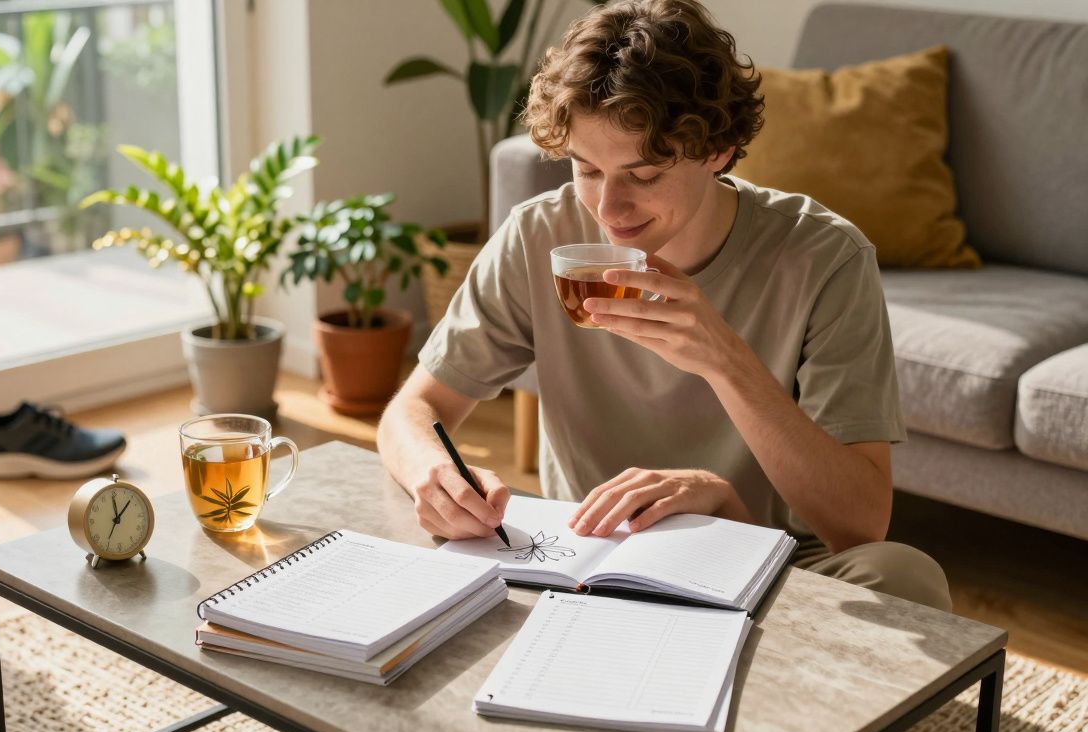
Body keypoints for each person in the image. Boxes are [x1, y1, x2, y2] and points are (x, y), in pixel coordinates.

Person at [375, 0, 951, 611]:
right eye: (587, 169)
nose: (609, 209)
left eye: (644, 174)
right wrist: (436, 476)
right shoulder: (539, 239)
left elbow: (861, 526)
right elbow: (414, 410)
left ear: (719, 149)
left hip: (772, 561)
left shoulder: (824, 258)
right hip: (593, 556)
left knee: (903, 576)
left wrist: (725, 359)